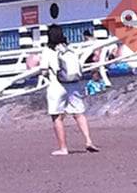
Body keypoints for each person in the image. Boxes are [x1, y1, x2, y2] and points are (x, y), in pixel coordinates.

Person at [40, 24, 98, 156]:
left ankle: (63, 148)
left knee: (57, 117)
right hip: (73, 84)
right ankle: (88, 140)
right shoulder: (70, 49)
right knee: (79, 113)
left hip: (57, 85)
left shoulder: (48, 51)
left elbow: (43, 70)